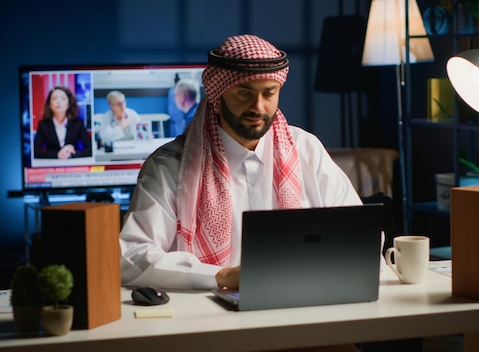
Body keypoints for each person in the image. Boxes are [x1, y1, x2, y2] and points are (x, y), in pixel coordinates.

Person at [119, 34, 382, 291]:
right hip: (208, 320)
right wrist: (221, 277)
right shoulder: (169, 166)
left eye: (269, 93)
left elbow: (361, 234)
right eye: (244, 93)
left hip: (305, 307)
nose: (258, 106)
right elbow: (131, 256)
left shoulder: (307, 150)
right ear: (218, 93)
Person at [33, 86, 92, 159]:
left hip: (73, 165)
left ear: (69, 104)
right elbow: (36, 151)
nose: (58, 101)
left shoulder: (78, 124)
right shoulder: (43, 125)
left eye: (63, 98)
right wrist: (57, 154)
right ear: (50, 104)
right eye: (54, 98)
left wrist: (71, 154)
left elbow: (90, 149)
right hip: (51, 165)